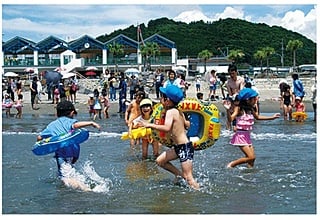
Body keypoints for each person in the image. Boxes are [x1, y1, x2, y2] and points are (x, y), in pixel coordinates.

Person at [139, 84, 200, 189]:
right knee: (160, 161)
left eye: (162, 97)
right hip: (179, 147)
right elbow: (187, 124)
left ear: (167, 100)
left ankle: (199, 192)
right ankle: (179, 175)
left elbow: (167, 128)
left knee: (189, 177)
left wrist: (148, 125)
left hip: (184, 147)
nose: (160, 99)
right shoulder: (178, 111)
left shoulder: (171, 112)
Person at [36, 100, 101, 191]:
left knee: (65, 179)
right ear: (72, 112)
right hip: (74, 153)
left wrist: (45, 141)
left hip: (62, 155)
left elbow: (39, 138)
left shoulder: (51, 125)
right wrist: (91, 123)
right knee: (67, 172)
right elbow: (75, 126)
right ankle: (83, 185)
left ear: (57, 113)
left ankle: (87, 190)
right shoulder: (70, 121)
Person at [227, 88, 280, 168]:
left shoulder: (251, 109)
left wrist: (272, 118)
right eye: (254, 98)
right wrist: (227, 110)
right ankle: (231, 165)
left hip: (247, 136)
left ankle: (249, 174)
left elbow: (258, 117)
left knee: (252, 160)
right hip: (240, 136)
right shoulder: (239, 109)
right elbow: (231, 119)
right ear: (248, 100)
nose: (256, 99)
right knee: (251, 157)